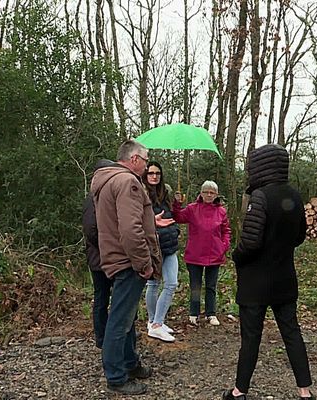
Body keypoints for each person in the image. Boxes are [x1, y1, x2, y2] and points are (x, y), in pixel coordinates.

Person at [223, 144, 314, 400]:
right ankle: (305, 392)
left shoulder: (260, 196)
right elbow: (299, 236)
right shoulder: (295, 196)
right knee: (292, 333)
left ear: (259, 166)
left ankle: (239, 391)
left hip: (256, 282)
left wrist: (236, 257)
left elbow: (250, 243)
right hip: (285, 278)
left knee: (251, 336)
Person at [90, 139, 162, 396]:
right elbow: (131, 230)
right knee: (120, 320)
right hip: (128, 261)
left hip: (115, 257)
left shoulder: (106, 180)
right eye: (145, 159)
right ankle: (116, 376)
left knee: (127, 318)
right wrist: (143, 263)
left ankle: (130, 364)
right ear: (134, 159)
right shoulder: (128, 182)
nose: (146, 165)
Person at [173, 180, 231, 326]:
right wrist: (177, 203)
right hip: (195, 254)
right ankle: (194, 312)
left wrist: (224, 246)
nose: (209, 195)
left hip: (215, 254)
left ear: (216, 195)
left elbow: (226, 231)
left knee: (211, 286)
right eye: (206, 192)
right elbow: (178, 217)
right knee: (195, 285)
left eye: (212, 192)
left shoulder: (221, 211)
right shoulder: (192, 209)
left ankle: (211, 313)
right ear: (201, 193)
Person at [143, 161, 179, 342]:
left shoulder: (165, 193)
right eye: (151, 173)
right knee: (154, 284)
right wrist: (152, 222)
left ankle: (157, 321)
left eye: (157, 173)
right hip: (154, 246)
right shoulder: (140, 193)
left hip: (170, 244)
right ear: (145, 174)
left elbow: (173, 216)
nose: (154, 176)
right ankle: (154, 323)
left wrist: (177, 204)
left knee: (171, 283)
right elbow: (138, 220)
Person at [82, 159, 116, 349]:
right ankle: (101, 338)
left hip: (108, 256)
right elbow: (91, 229)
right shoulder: (92, 199)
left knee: (114, 297)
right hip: (99, 258)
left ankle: (112, 336)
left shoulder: (106, 195)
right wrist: (109, 246)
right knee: (102, 297)